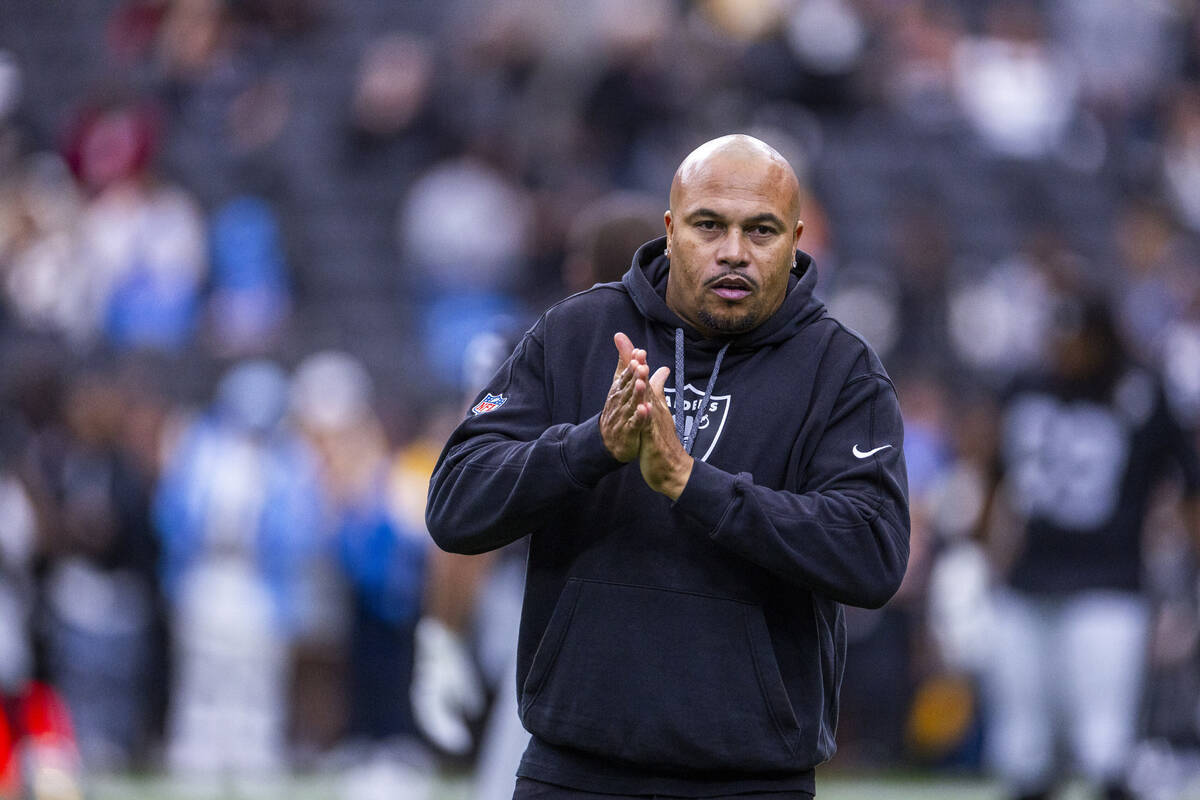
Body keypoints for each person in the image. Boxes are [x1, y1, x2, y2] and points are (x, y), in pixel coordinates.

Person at [425, 134, 910, 797]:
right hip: (573, 769)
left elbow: (872, 555)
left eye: (760, 230)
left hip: (752, 779)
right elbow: (455, 505)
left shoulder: (841, 370)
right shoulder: (576, 332)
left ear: (797, 239)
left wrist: (693, 485)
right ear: (671, 229)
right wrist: (592, 445)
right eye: (709, 225)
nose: (733, 250)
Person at [980, 296, 1200, 800]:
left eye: (1075, 339)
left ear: (1101, 340)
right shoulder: (1026, 387)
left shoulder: (1140, 392)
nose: (1064, 351)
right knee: (1023, 751)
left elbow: (1187, 482)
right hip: (1029, 580)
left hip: (1108, 583)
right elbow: (995, 477)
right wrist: (989, 554)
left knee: (1104, 746)